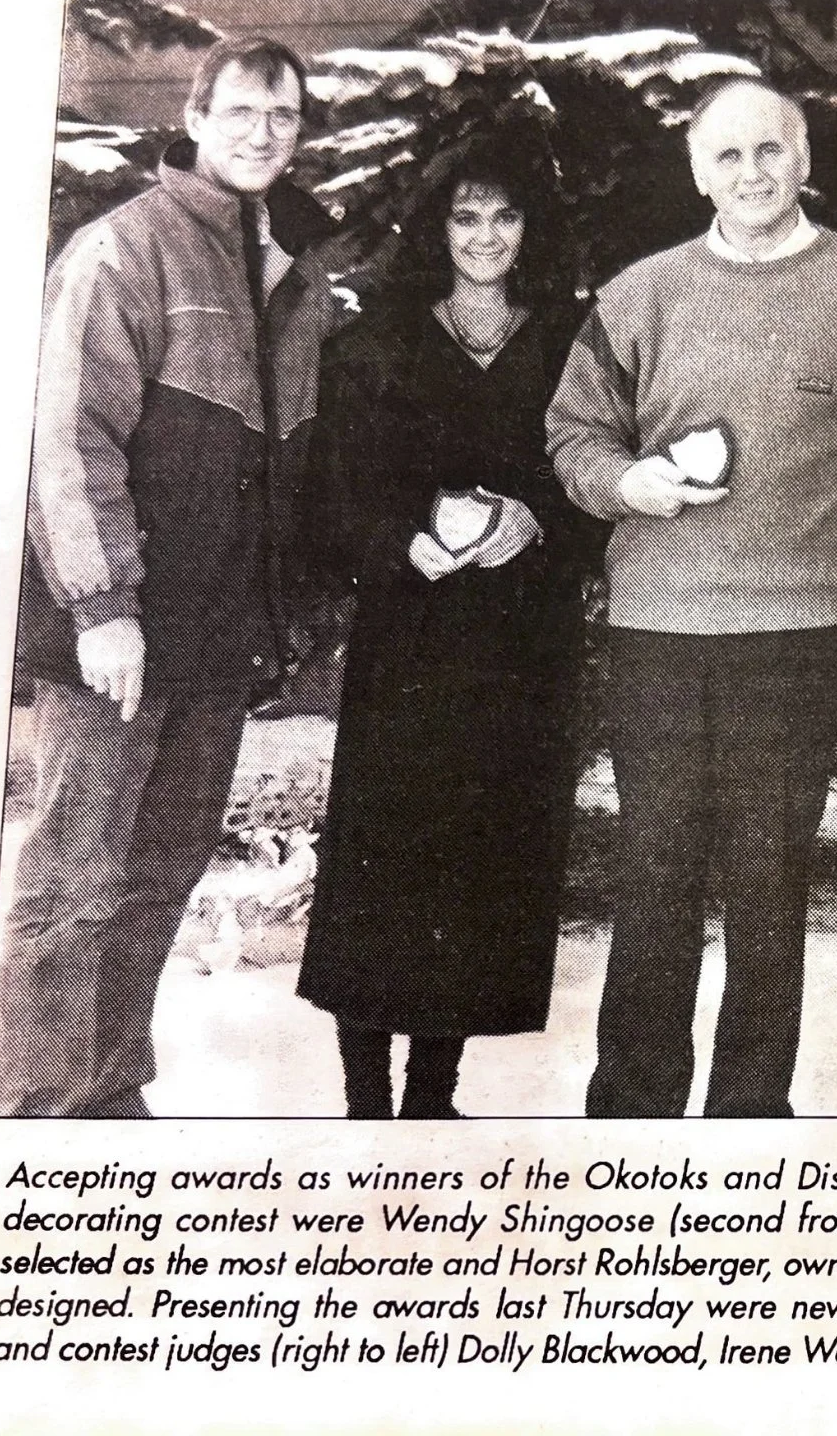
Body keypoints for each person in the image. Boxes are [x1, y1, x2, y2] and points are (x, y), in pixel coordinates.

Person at [547, 76, 837, 1118]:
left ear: (805, 159)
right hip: (661, 627)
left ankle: (752, 1109)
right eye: (728, 156)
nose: (752, 174)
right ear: (696, 171)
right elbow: (574, 431)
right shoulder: (640, 296)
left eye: (771, 151)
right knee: (656, 865)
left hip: (799, 632)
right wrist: (624, 482)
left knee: (770, 879)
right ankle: (633, 1101)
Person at [0, 37, 339, 1117]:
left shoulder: (292, 267)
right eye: (240, 110)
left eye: (281, 115)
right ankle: (37, 1107)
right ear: (196, 116)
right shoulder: (126, 250)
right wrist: (102, 609)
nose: (261, 133)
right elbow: (70, 442)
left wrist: (289, 612)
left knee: (157, 872)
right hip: (123, 630)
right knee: (73, 878)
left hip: (217, 631)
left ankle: (106, 1084)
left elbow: (284, 459)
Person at [296, 129, 600, 1119]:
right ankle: (364, 1100)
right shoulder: (376, 340)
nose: (483, 235)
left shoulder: (567, 344)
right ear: (436, 224)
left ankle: (434, 1095)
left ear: (531, 226)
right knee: (388, 859)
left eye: (504, 214)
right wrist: (400, 540)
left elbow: (596, 479)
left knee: (479, 862)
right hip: (412, 642)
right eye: (464, 215)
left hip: (520, 644)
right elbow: (335, 496)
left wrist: (536, 523)